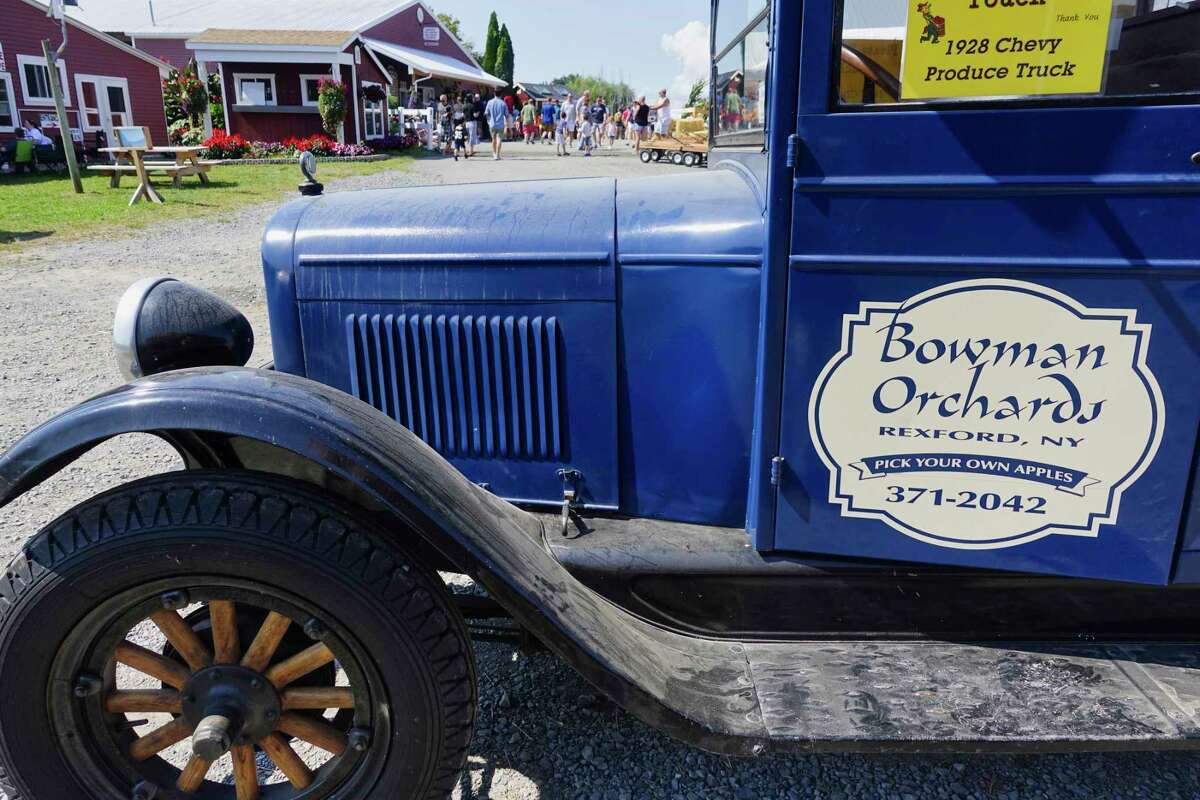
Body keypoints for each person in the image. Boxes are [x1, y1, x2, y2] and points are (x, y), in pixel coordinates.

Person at [485, 87, 507, 160]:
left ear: (494, 93)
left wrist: (488, 121)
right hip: (500, 124)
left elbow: (486, 113)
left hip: (492, 123)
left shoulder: (489, 102)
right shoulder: (503, 103)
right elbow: (506, 114)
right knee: (499, 139)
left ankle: (494, 154)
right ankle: (498, 154)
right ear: (501, 94)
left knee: (493, 139)